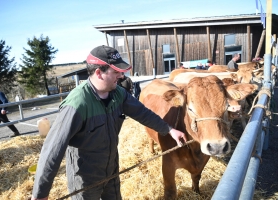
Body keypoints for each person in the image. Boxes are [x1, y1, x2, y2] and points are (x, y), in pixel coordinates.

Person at [31, 45, 187, 200]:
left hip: (111, 170)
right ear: (99, 73)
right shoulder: (77, 104)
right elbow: (52, 149)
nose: (121, 76)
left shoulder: (118, 94)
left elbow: (142, 113)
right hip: (85, 178)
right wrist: (40, 194)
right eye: (116, 72)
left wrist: (169, 129)